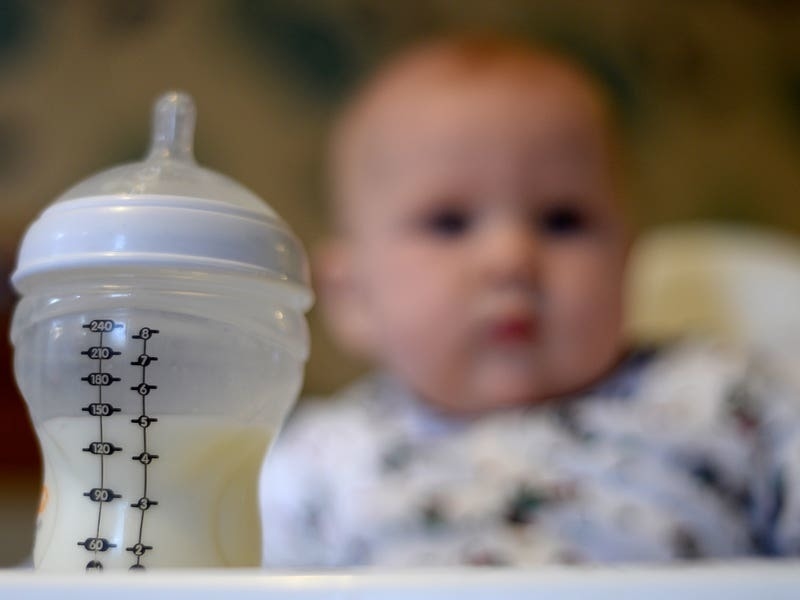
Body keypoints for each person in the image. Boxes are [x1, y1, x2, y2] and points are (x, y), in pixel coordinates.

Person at [259, 34, 800, 567]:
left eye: (563, 220)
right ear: (353, 297)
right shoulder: (316, 466)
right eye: (449, 223)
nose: (511, 257)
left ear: (627, 266)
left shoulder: (734, 402)